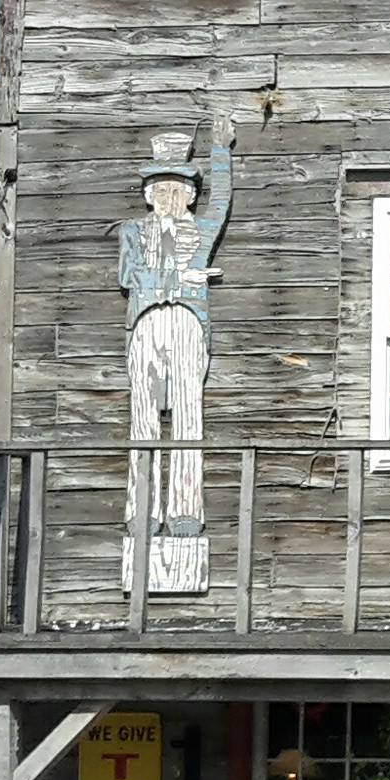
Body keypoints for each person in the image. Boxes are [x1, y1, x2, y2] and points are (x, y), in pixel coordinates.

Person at [120, 115, 233, 536]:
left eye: (178, 190)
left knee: (188, 412)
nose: (170, 197)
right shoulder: (134, 231)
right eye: (162, 189)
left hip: (187, 322)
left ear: (190, 195)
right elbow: (128, 276)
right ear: (149, 195)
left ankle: (186, 509)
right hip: (147, 322)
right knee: (143, 415)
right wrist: (177, 279)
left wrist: (220, 151)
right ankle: (143, 510)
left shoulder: (200, 232)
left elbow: (221, 202)